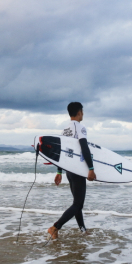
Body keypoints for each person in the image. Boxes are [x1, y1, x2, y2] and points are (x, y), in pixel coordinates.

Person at [47, 102, 96, 240]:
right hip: (78, 170)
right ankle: (55, 227)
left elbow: (61, 153)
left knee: (76, 203)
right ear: (79, 112)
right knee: (78, 204)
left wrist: (59, 171)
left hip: (69, 170)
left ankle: (83, 230)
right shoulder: (80, 127)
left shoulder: (65, 130)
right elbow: (84, 148)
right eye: (82, 111)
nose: (83, 114)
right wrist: (91, 169)